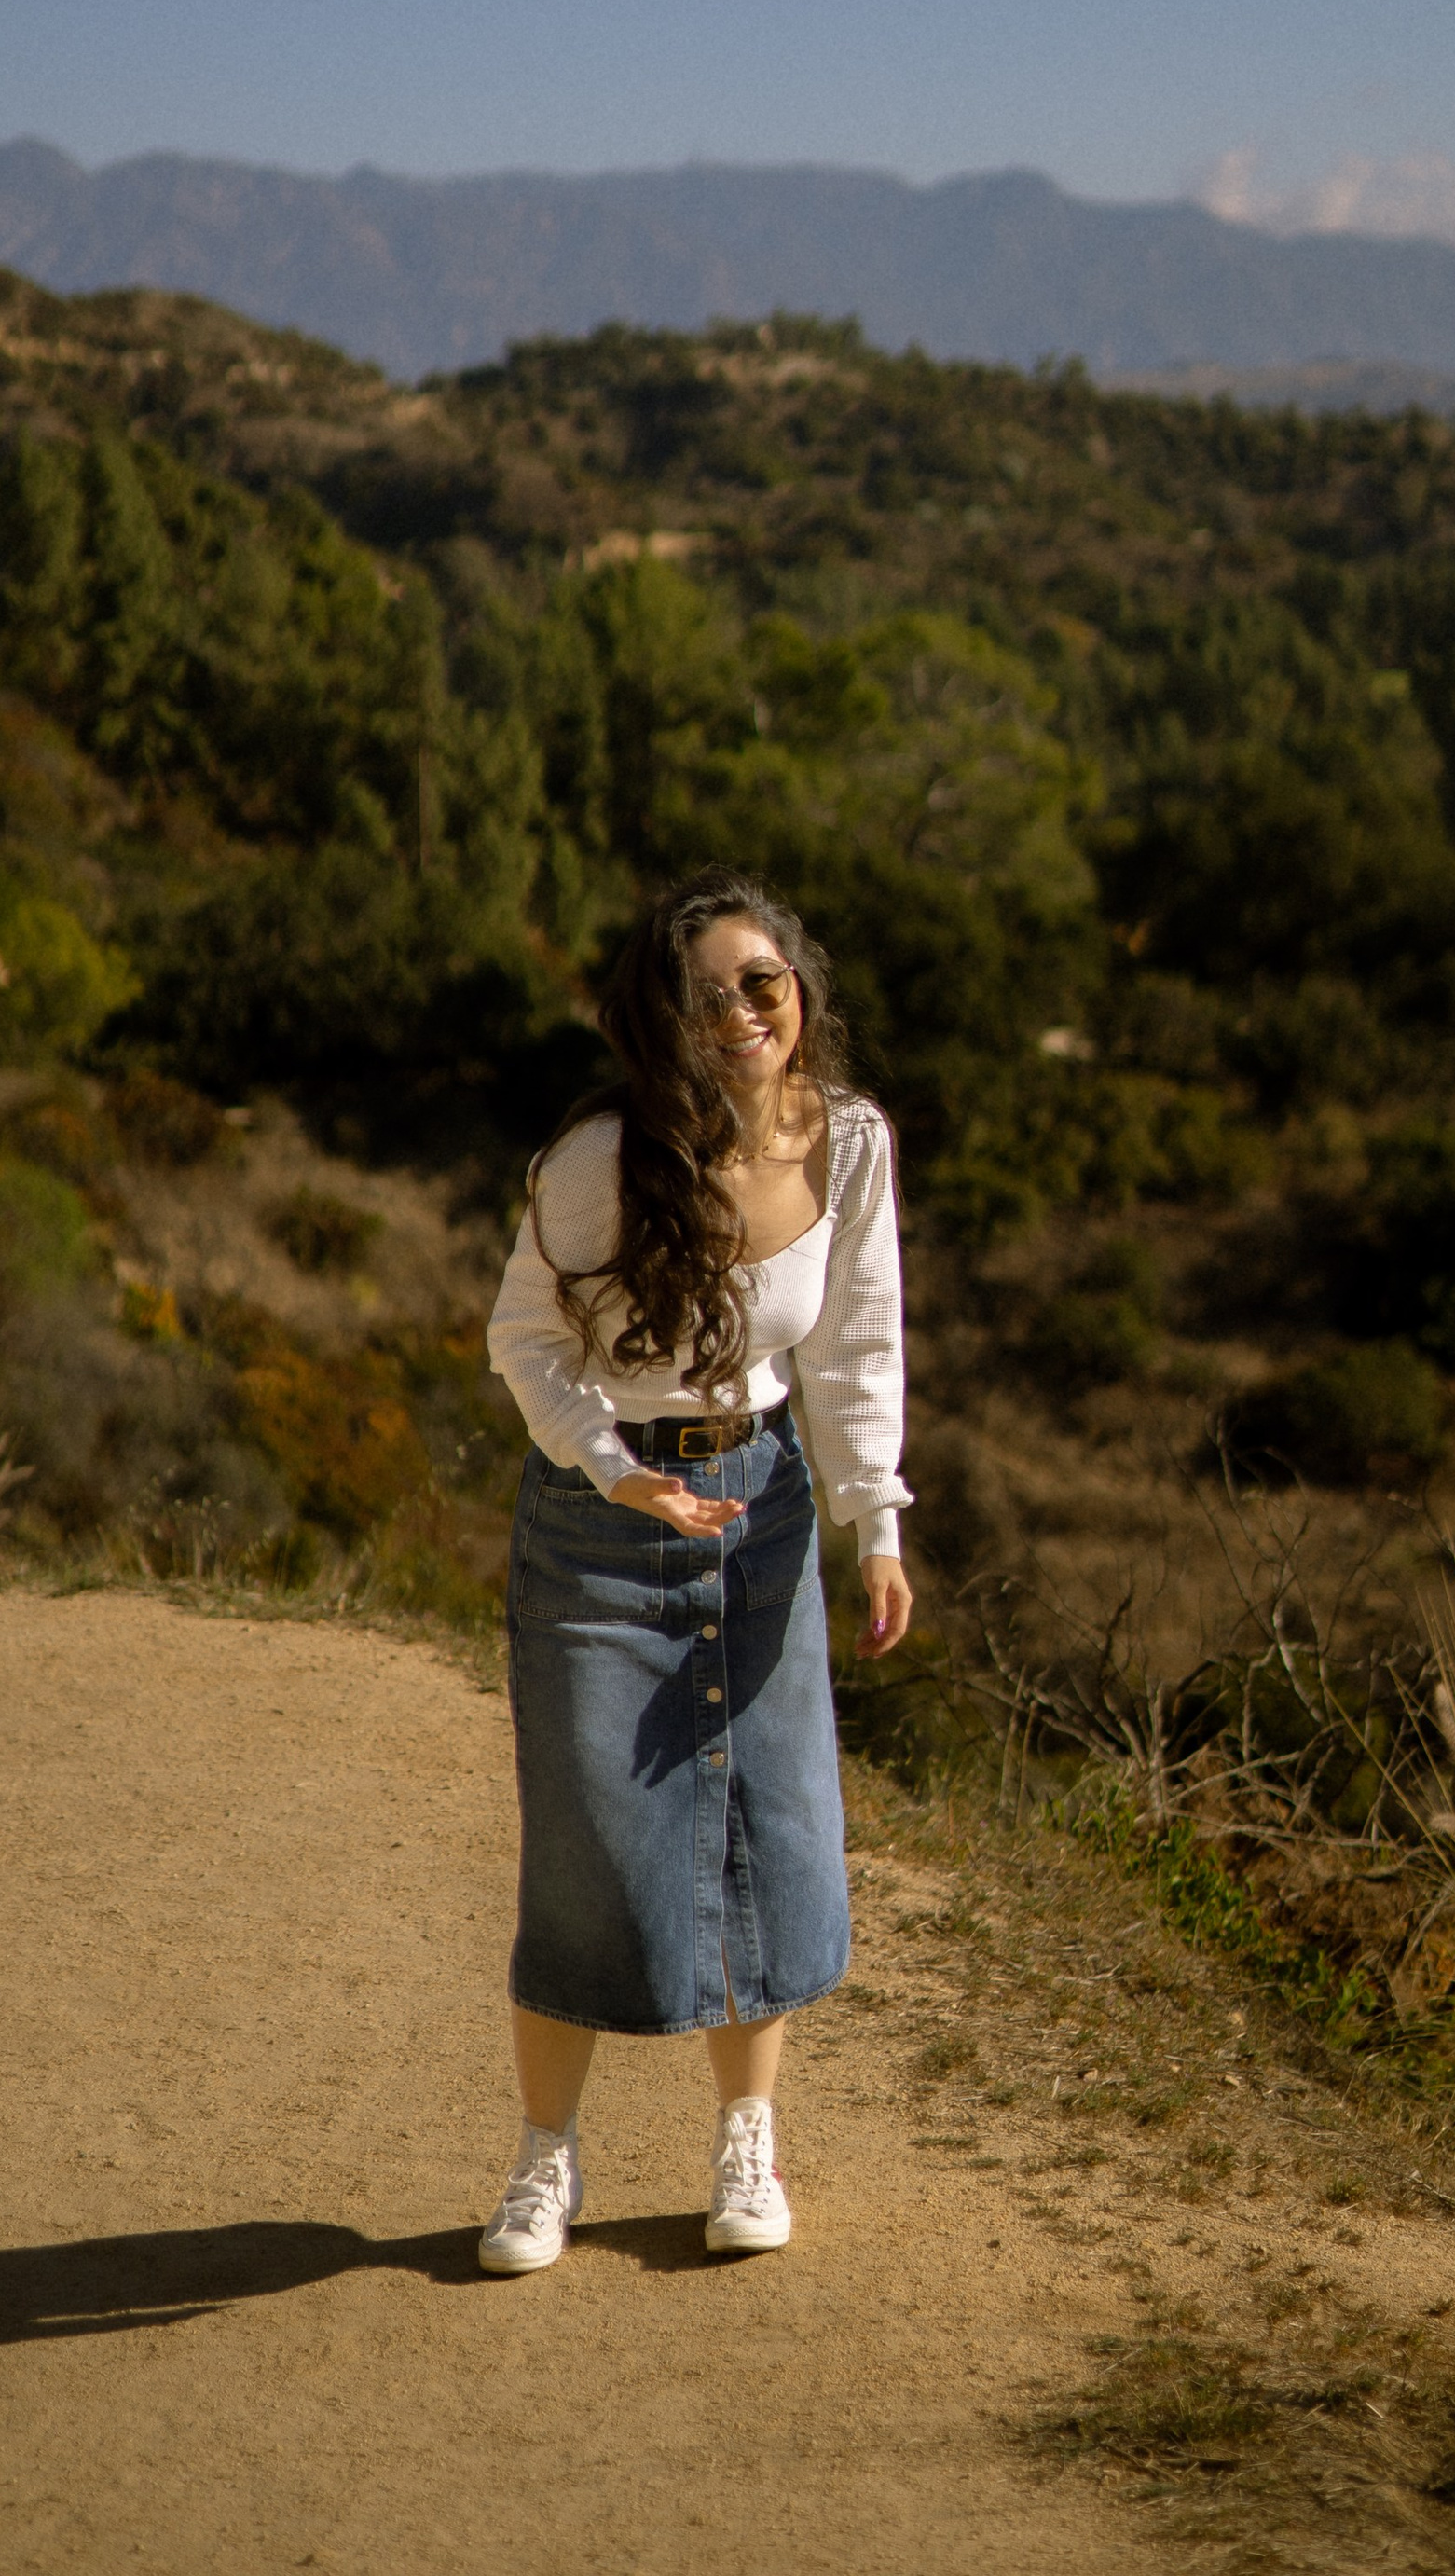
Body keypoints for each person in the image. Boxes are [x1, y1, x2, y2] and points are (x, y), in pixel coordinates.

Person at [477, 864, 913, 2273]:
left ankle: (748, 2140)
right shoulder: (600, 1160)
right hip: (603, 1520)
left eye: (760, 983)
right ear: (659, 1020)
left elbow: (853, 1342)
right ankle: (545, 2159)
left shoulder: (848, 1142)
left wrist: (874, 1518)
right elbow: (524, 1339)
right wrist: (613, 1467)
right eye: (705, 995)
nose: (740, 1015)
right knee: (589, 1848)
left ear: (800, 989)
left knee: (764, 1830)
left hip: (762, 1505)